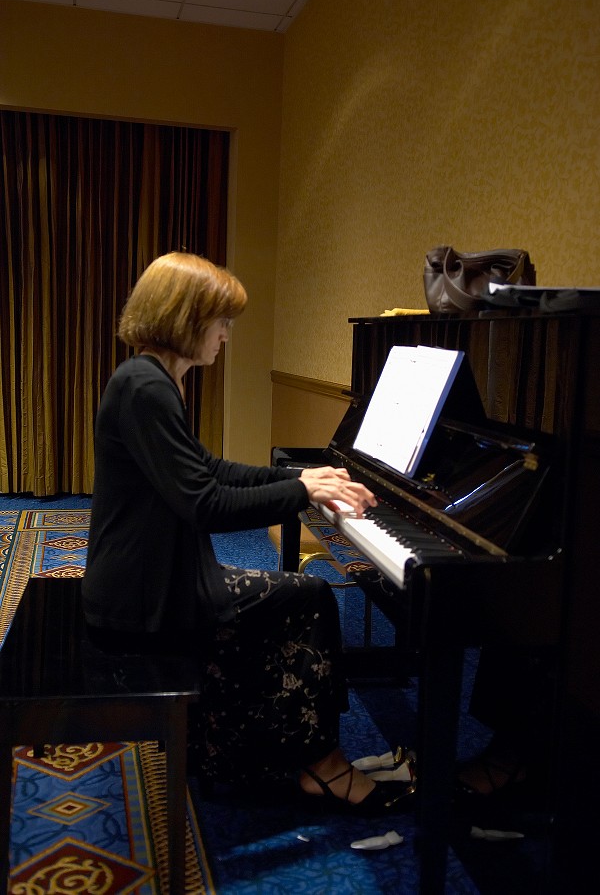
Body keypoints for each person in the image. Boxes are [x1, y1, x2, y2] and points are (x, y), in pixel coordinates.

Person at [82, 251, 414, 815]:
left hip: (152, 575)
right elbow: (204, 504)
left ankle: (274, 751)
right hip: (143, 596)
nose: (226, 337)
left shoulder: (149, 377)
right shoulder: (147, 387)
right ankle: (322, 767)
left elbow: (206, 468)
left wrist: (295, 476)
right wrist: (303, 492)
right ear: (187, 318)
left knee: (291, 596)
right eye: (222, 322)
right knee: (307, 597)